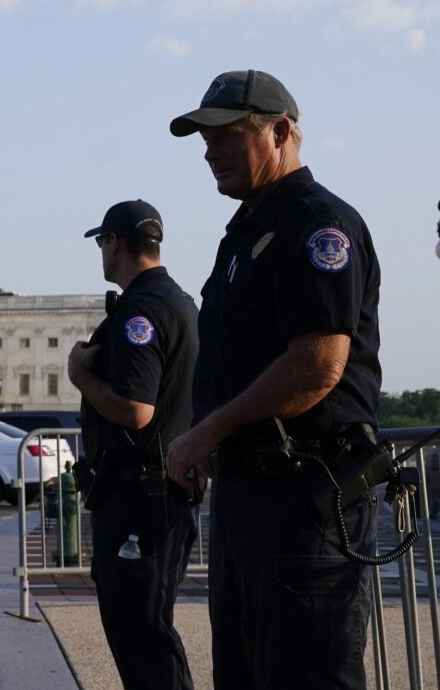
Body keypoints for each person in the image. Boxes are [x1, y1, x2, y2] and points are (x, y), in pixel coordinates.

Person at [163, 70, 383, 690]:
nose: (210, 152)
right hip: (250, 499)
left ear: (281, 131)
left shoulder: (317, 224)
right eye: (204, 139)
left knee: (304, 674)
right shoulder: (247, 231)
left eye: (226, 136)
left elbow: (318, 364)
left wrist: (206, 432)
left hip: (305, 498)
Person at [67, 199, 199, 690]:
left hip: (139, 500)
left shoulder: (140, 312)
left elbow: (135, 410)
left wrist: (81, 376)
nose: (102, 252)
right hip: (160, 493)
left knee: (139, 631)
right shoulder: (180, 302)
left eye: (102, 242)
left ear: (114, 242)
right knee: (148, 627)